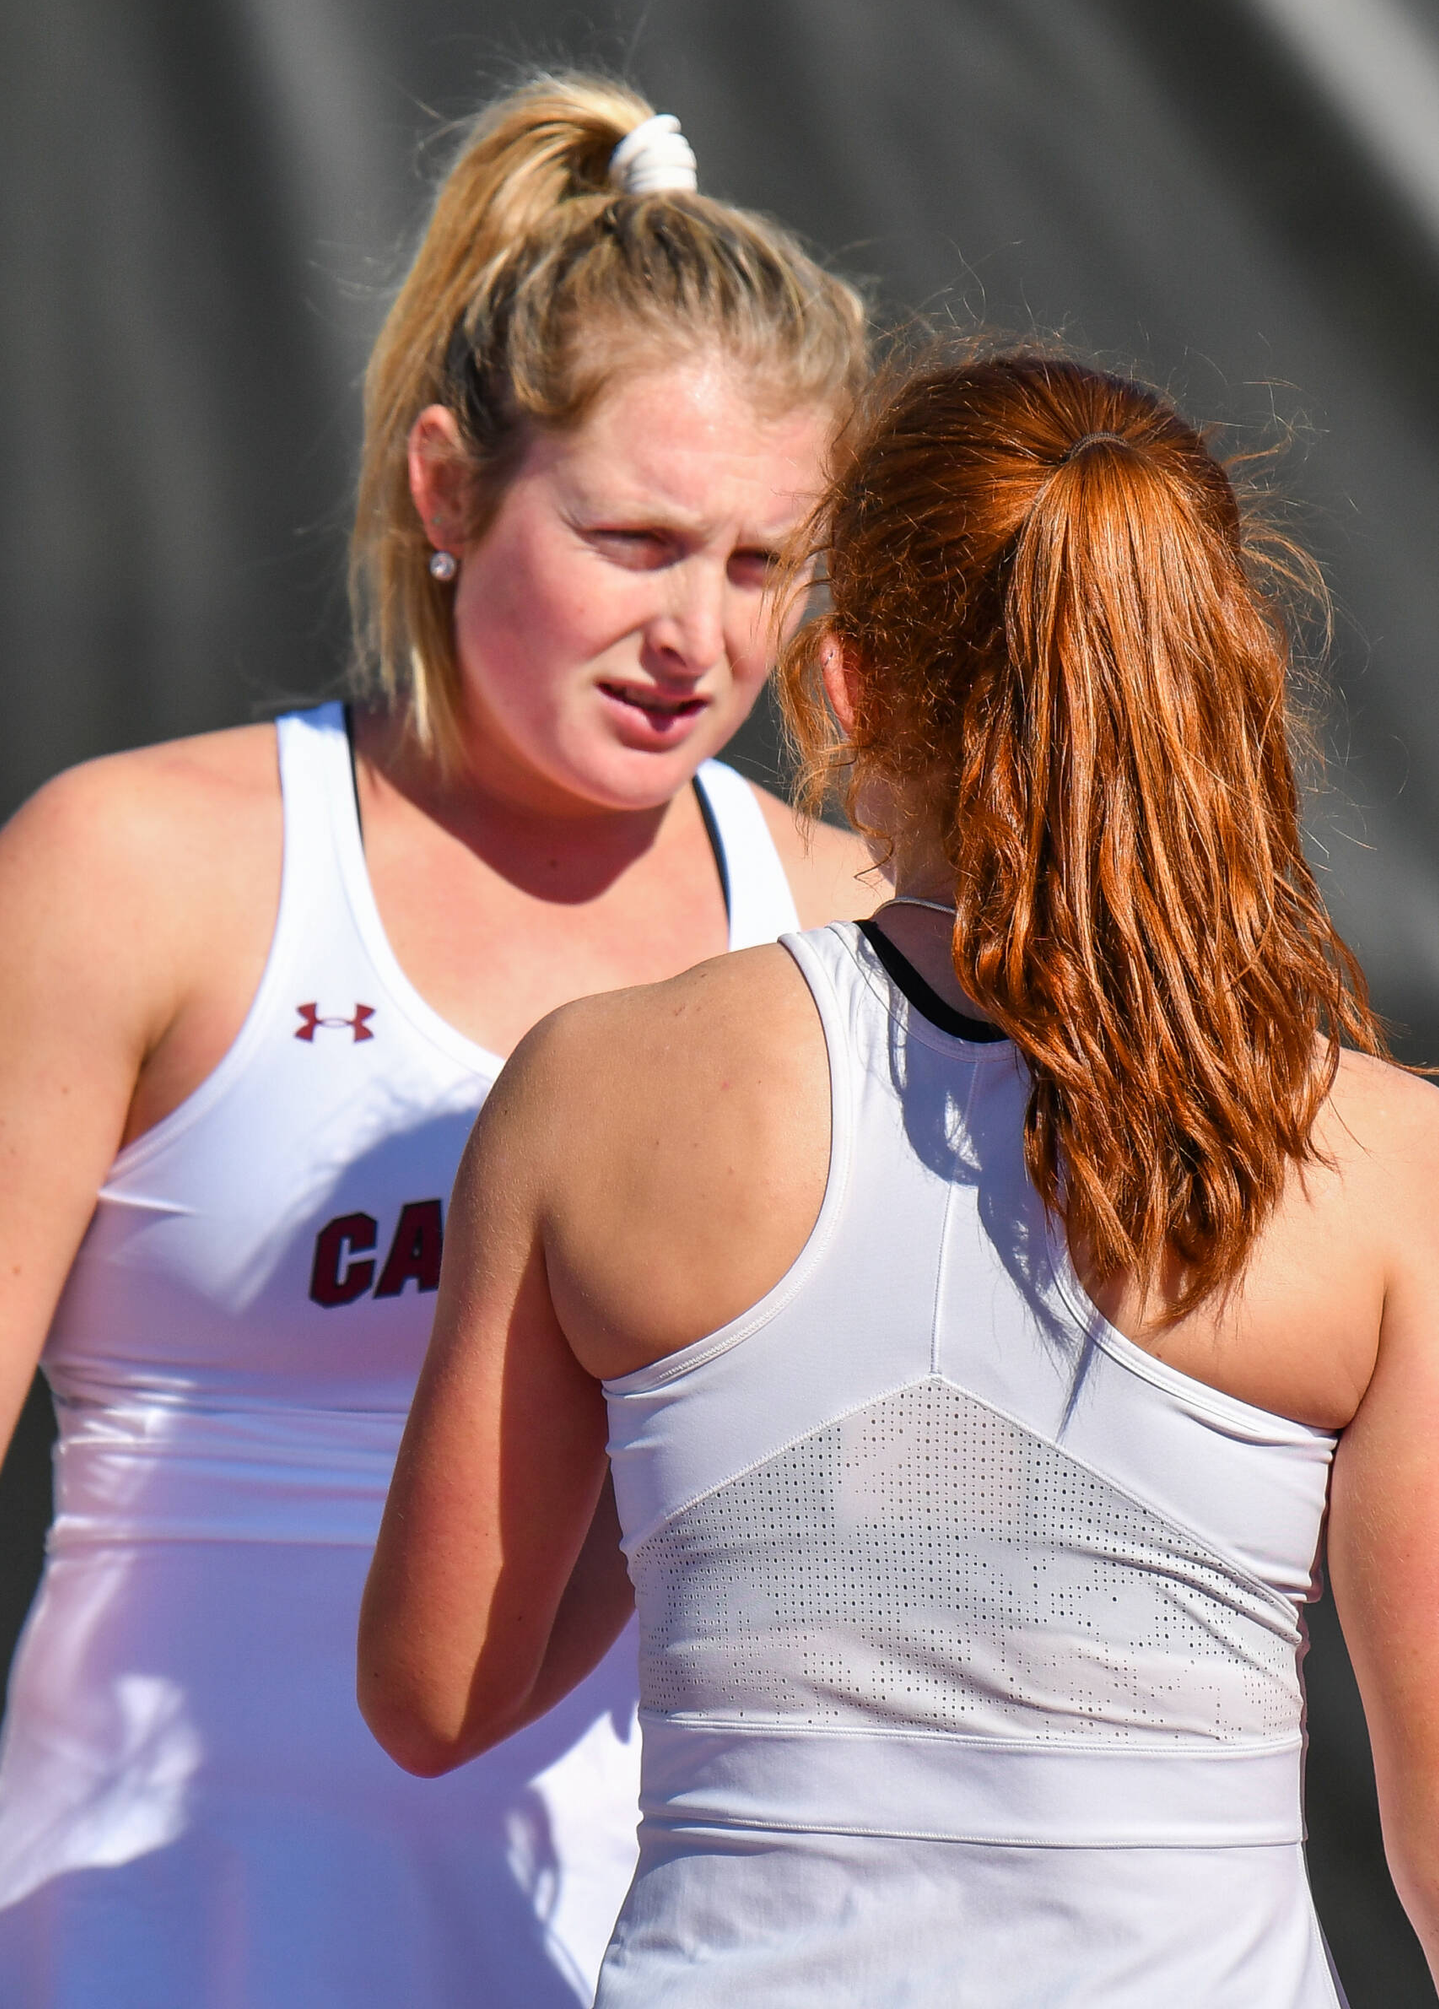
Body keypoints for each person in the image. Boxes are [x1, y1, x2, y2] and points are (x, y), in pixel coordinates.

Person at [360, 350, 1439, 2007]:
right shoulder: (1378, 1167)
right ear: (1203, 675)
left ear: (843, 682)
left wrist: (694, 1467)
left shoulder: (593, 1092)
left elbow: (434, 1695)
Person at [0, 73, 875, 2007]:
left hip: (667, 1958)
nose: (699, 640)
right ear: (446, 491)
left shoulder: (841, 917)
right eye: (637, 539)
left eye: (759, 565)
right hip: (148, 1940)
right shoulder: (134, 869)